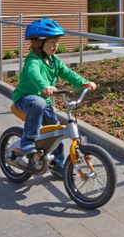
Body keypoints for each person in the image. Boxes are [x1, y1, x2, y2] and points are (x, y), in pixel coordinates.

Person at [11, 18, 97, 177]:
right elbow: (34, 74)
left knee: (56, 132)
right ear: (39, 43)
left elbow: (68, 74)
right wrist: (44, 86)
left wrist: (84, 83)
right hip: (25, 99)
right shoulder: (33, 61)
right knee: (38, 102)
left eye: (57, 42)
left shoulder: (54, 60)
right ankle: (27, 141)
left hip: (46, 103)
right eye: (52, 42)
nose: (55, 45)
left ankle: (57, 165)